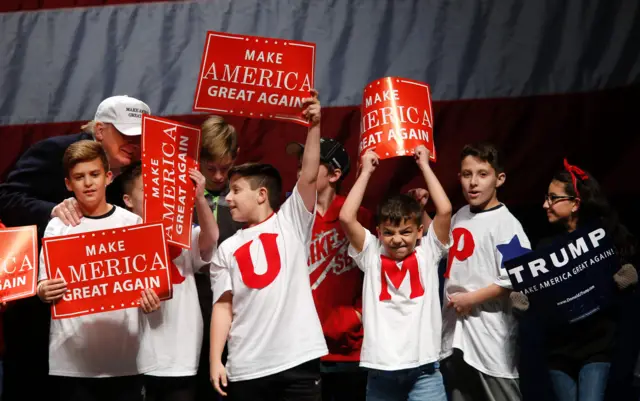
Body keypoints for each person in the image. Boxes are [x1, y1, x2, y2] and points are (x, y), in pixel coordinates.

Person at [0, 95, 150, 401]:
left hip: (104, 334)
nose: (133, 144)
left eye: (139, 137)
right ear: (100, 131)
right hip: (39, 317)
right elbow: (6, 197)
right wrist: (52, 210)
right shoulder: (54, 152)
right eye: (125, 135)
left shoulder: (134, 172)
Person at [208, 90, 327, 401]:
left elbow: (311, 176)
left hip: (298, 362)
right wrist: (215, 359)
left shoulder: (292, 221)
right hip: (247, 367)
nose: (228, 197)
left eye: (236, 190)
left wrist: (313, 127)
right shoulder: (226, 248)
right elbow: (223, 305)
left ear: (261, 195)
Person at [36, 140, 159, 401]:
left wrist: (151, 299)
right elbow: (43, 284)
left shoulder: (132, 222)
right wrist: (43, 290)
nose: (88, 183)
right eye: (79, 177)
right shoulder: (58, 227)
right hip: (73, 361)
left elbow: (149, 285)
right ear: (69, 184)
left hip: (126, 359)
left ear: (108, 176)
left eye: (94, 174)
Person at [514, 159, 638, 401]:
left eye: (552, 198)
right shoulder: (545, 249)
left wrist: (630, 278)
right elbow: (537, 304)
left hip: (597, 348)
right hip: (558, 354)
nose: (544, 204)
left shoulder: (604, 237)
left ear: (574, 204)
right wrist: (523, 304)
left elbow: (624, 279)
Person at [339, 145, 452, 401]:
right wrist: (366, 171)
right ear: (378, 232)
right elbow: (346, 217)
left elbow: (444, 210)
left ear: (419, 231)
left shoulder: (428, 253)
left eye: (405, 232)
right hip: (381, 373)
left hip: (424, 371)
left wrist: (424, 166)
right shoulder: (371, 253)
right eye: (389, 232)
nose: (397, 239)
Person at [120, 161, 219, 401]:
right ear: (128, 200)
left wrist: (199, 199)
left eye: (159, 190)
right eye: (147, 190)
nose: (155, 196)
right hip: (134, 359)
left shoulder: (182, 233)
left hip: (179, 358)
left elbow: (211, 238)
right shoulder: (117, 238)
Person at [440, 142, 528, 401]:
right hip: (458, 334)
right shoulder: (460, 215)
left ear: (499, 179)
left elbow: (517, 277)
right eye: (467, 175)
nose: (473, 183)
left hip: (491, 338)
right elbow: (445, 249)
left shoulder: (507, 225)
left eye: (482, 174)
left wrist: (471, 299)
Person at [286, 137, 371, 401]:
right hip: (302, 348)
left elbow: (381, 274)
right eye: (300, 165)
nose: (302, 171)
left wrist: (356, 315)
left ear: (335, 174)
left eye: (311, 165)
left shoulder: (360, 217)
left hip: (349, 349)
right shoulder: (290, 217)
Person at [193, 116, 243, 401]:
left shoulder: (242, 195)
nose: (219, 176)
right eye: (210, 168)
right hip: (194, 298)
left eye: (226, 168)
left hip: (233, 300)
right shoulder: (180, 195)